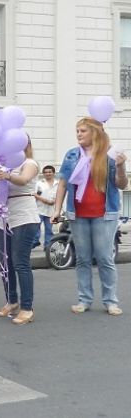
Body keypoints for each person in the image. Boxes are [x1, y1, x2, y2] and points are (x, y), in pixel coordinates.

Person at [53, 118, 128, 316]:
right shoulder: (71, 154)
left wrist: (120, 166)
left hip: (104, 214)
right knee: (83, 259)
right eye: (77, 130)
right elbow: (62, 184)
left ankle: (110, 301)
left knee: (104, 258)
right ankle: (84, 299)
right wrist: (57, 209)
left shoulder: (110, 154)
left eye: (83, 131)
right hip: (78, 214)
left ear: (94, 133)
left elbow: (121, 185)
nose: (78, 134)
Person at [0, 138, 40, 325]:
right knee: (5, 263)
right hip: (3, 216)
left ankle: (27, 308)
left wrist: (7, 176)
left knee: (20, 263)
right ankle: (11, 301)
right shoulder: (4, 164)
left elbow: (24, 180)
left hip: (24, 216)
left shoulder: (30, 163)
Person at [34, 165, 58, 249]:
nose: (48, 174)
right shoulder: (39, 183)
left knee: (49, 229)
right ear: (43, 174)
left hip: (51, 210)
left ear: (53, 173)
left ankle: (48, 246)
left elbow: (60, 196)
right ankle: (35, 242)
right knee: (36, 227)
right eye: (46, 172)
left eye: (50, 172)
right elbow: (34, 194)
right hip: (39, 209)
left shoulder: (57, 184)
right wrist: (45, 200)